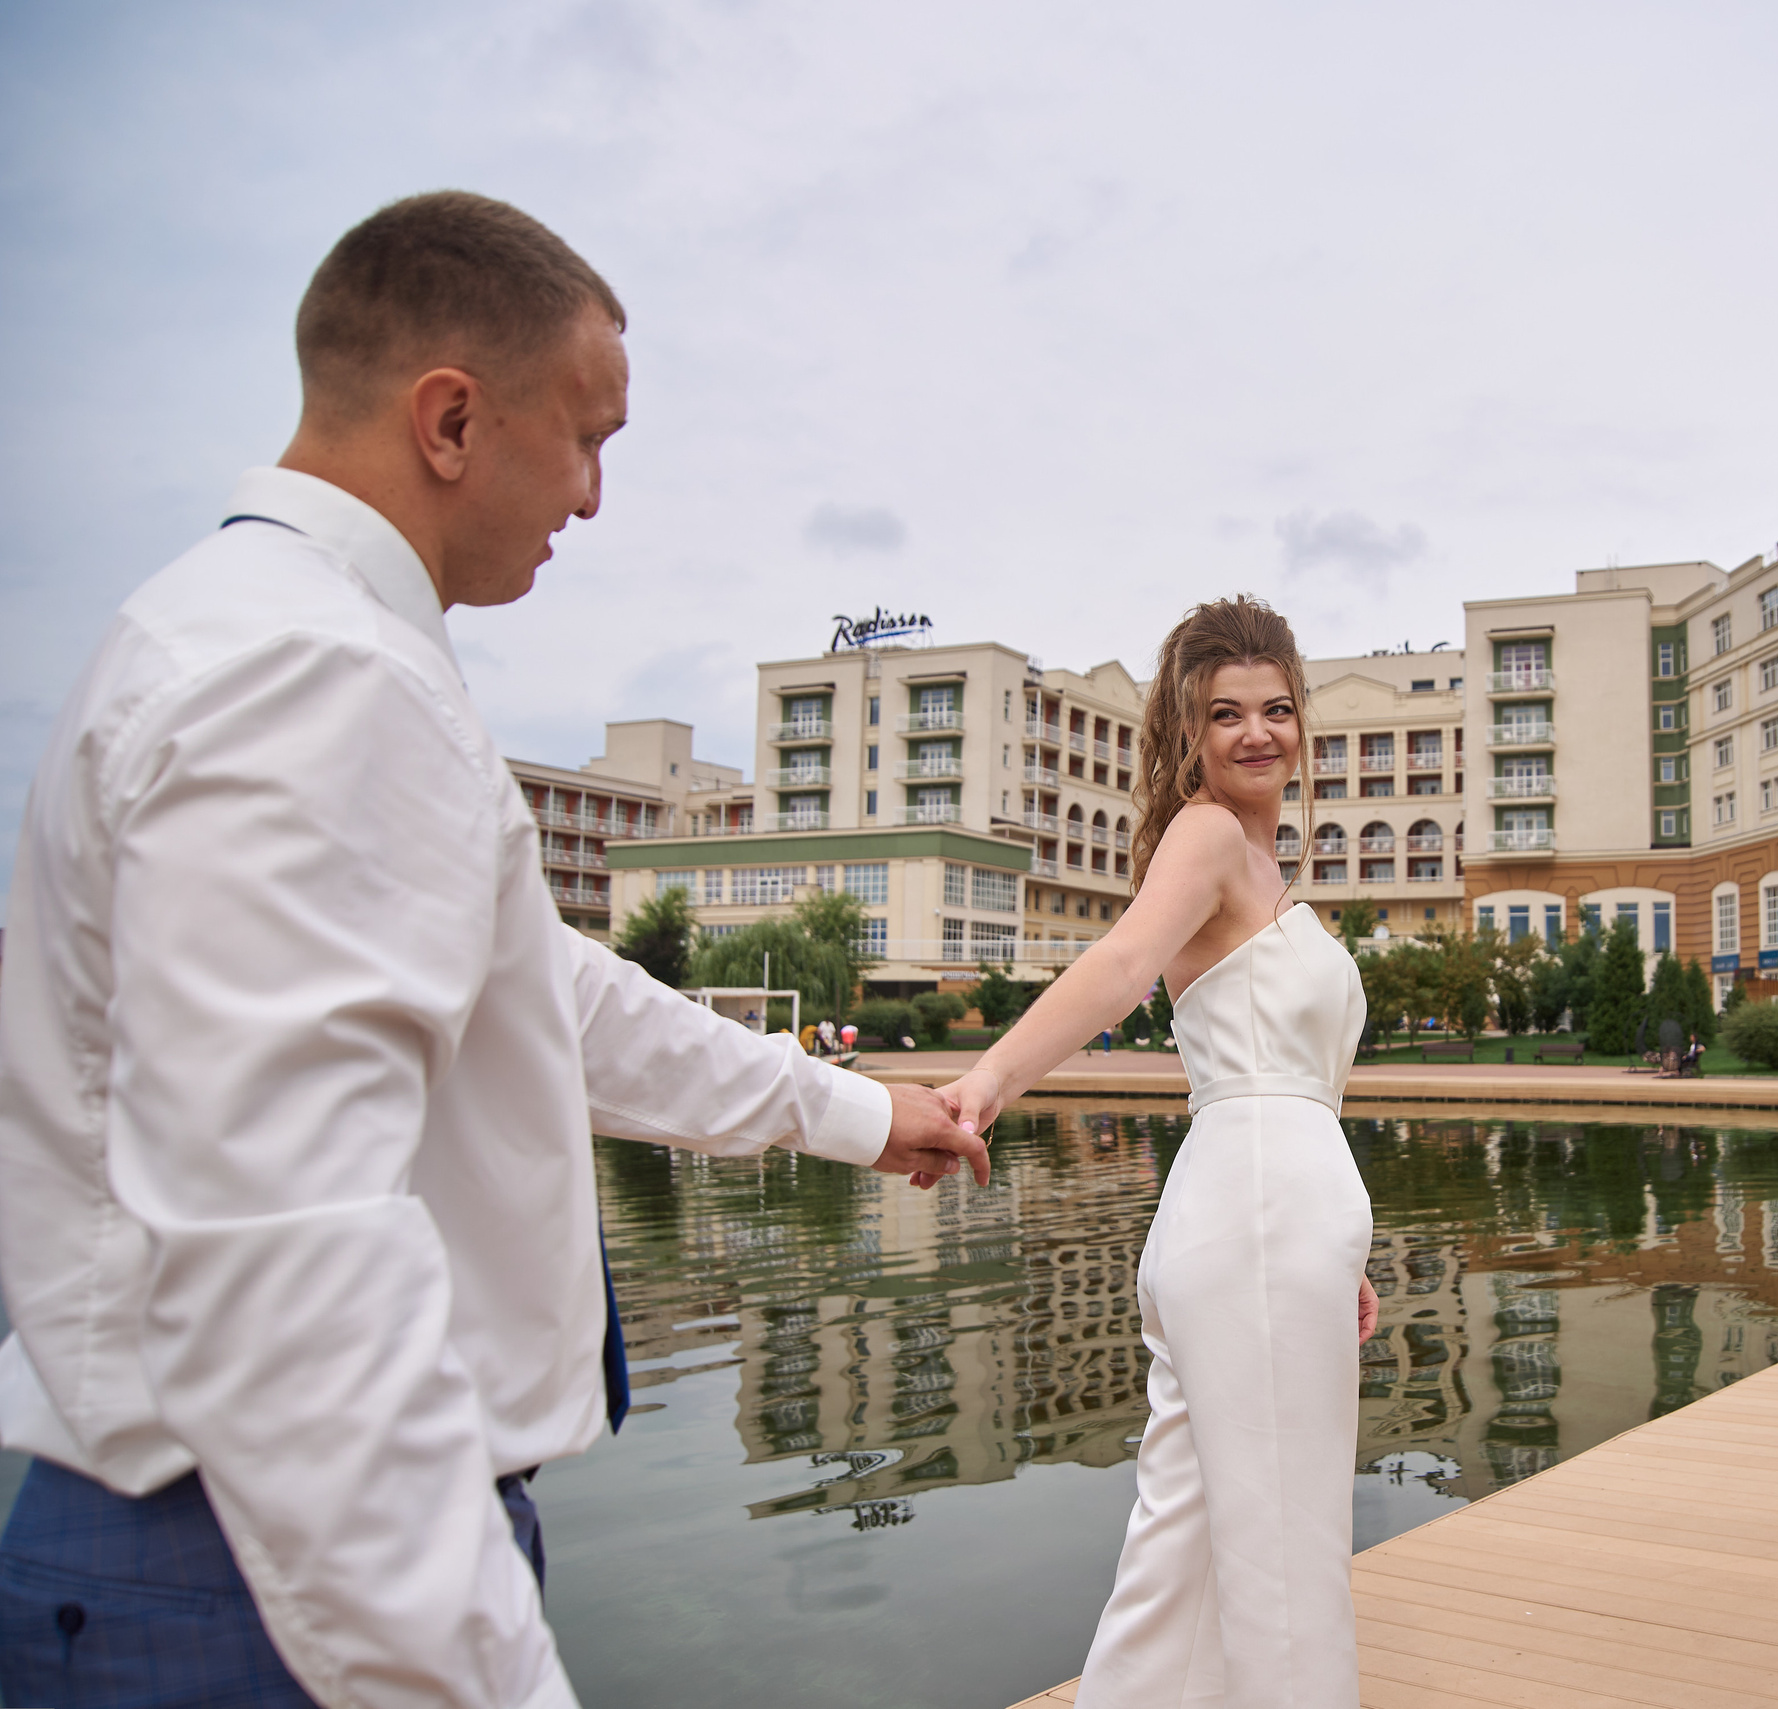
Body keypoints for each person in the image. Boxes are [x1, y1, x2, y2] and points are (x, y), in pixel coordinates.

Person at [0, 192, 985, 1709]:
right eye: (587, 437)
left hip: (235, 1550)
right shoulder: (315, 675)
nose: (591, 495)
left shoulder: (257, 634)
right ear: (452, 420)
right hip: (257, 1574)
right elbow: (291, 1266)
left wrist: (859, 1112)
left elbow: (550, 992)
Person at [935, 596, 1375, 1708]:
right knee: (1285, 1547)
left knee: (1186, 1537)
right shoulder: (1209, 836)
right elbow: (1122, 964)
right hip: (1255, 1217)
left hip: (1268, 1224)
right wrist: (989, 1081)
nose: (1256, 732)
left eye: (1276, 708)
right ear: (1188, 731)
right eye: (1225, 713)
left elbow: (1299, 1088)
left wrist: (1342, 1255)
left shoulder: (1266, 870)